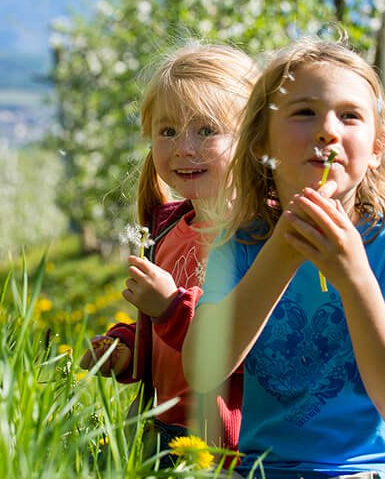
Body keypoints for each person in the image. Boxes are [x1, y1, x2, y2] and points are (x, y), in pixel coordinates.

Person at [184, 38, 385, 479]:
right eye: (304, 112)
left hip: (372, 470)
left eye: (350, 116)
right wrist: (282, 251)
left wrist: (354, 276)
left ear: (377, 146)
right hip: (263, 470)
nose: (328, 130)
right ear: (260, 143)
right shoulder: (241, 246)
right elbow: (202, 368)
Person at [79, 42, 259, 461]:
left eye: (206, 130)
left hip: (230, 447)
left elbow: (256, 348)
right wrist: (125, 350)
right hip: (164, 433)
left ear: (252, 138)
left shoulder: (260, 237)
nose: (183, 148)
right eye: (167, 131)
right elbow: (159, 338)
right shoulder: (166, 230)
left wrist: (171, 308)